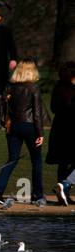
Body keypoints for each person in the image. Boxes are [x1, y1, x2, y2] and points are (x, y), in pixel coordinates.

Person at [0, 60, 49, 205]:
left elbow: (3, 107)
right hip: (30, 126)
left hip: (13, 126)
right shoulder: (34, 87)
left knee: (12, 160)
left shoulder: (10, 87)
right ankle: (37, 194)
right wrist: (40, 133)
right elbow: (36, 113)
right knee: (36, 161)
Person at [46, 62, 75, 200]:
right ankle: (65, 186)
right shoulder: (70, 90)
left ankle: (63, 191)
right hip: (70, 129)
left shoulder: (58, 87)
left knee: (63, 162)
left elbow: (53, 108)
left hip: (59, 128)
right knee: (69, 161)